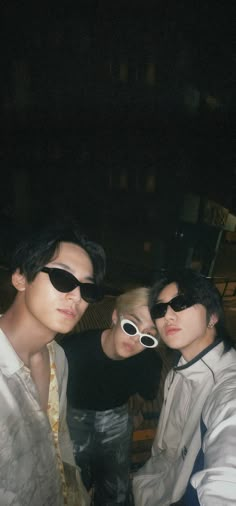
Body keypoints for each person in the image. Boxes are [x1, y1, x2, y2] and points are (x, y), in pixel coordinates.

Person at [0, 218, 106, 506]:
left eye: (88, 289)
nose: (76, 297)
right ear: (20, 277)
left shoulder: (57, 357)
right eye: (63, 278)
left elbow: (60, 440)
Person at [132, 268, 236, 506]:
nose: (167, 315)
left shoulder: (227, 383)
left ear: (212, 317)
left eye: (181, 303)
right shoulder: (177, 371)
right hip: (155, 488)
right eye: (160, 308)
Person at [61, 287, 163, 506]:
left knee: (116, 489)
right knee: (72, 485)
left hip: (116, 415)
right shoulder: (72, 351)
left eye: (148, 336)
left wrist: (132, 414)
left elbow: (144, 395)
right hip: (71, 415)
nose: (136, 339)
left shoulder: (150, 362)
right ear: (116, 316)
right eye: (131, 326)